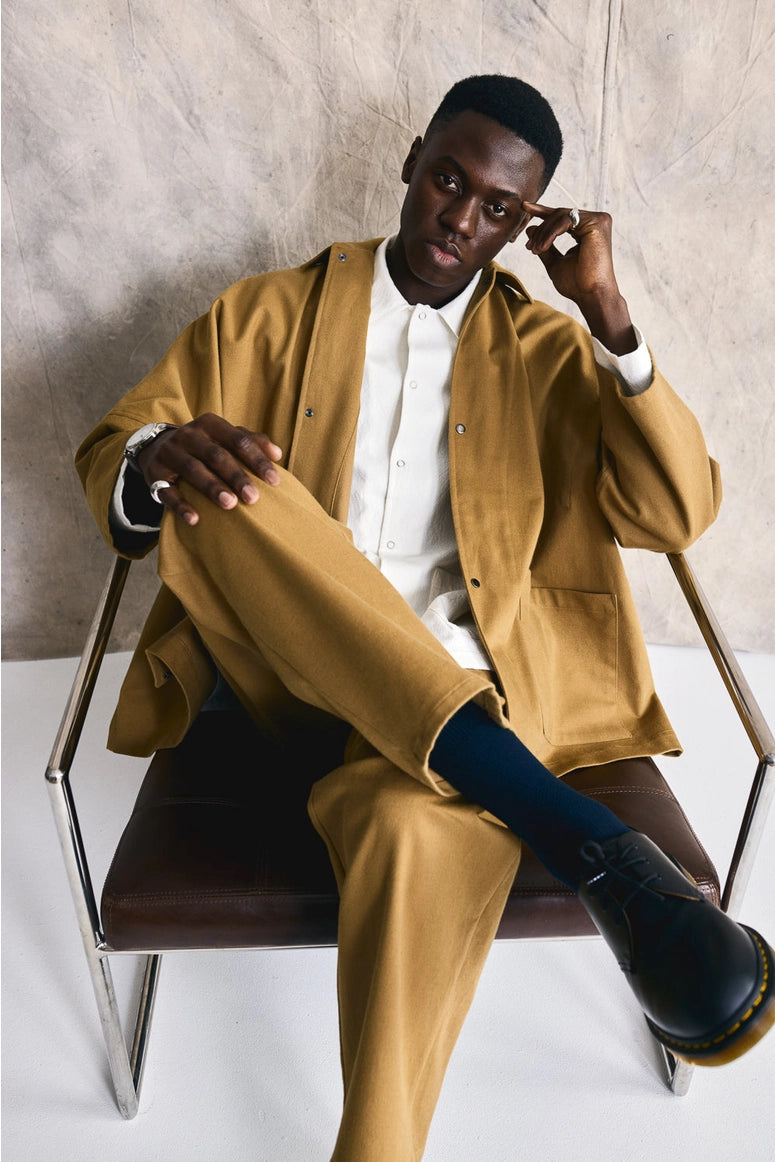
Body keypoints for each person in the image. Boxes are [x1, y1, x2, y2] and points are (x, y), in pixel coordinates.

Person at [76, 75, 773, 1160]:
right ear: (411, 162)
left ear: (523, 223)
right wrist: (153, 458)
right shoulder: (264, 311)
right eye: (449, 178)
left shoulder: (546, 355)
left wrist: (609, 317)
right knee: (228, 482)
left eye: (499, 206)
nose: (461, 217)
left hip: (465, 699)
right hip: (284, 682)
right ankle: (584, 836)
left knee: (411, 819)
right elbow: (115, 445)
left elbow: (676, 509)